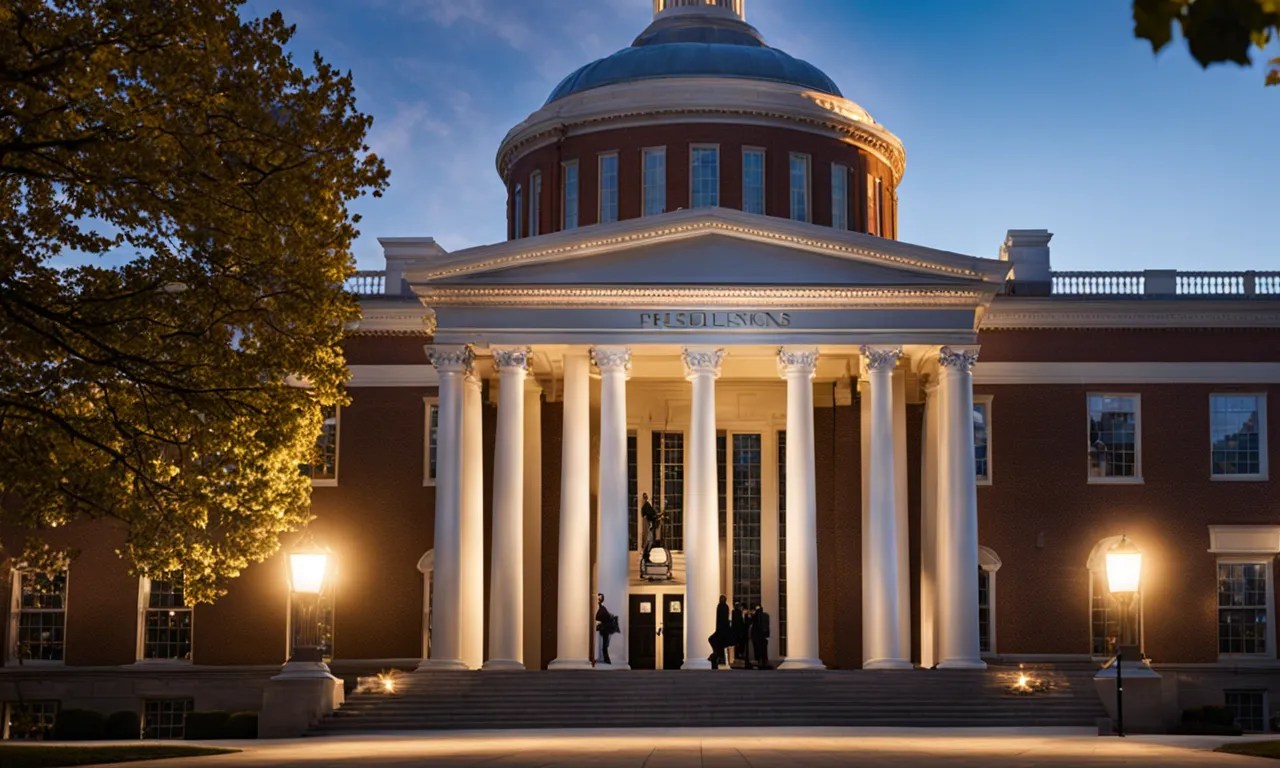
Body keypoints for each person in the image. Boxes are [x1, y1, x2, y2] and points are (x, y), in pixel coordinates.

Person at [707, 594, 731, 668]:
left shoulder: (723, 607)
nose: (721, 600)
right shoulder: (721, 606)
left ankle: (716, 655)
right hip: (720, 629)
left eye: (722, 599)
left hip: (721, 629)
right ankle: (717, 656)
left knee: (712, 640)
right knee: (713, 641)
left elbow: (722, 618)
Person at [595, 593, 614, 665]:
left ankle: (605, 658)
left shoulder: (603, 608)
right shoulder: (600, 608)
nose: (599, 599)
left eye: (600, 598)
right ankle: (604, 658)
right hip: (602, 628)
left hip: (604, 628)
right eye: (598, 598)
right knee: (603, 644)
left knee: (604, 644)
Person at [750, 603, 770, 670]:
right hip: (764, 636)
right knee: (764, 650)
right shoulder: (766, 616)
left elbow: (753, 625)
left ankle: (760, 662)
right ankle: (764, 662)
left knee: (758, 650)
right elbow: (767, 626)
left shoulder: (755, 616)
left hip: (757, 636)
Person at [640, 493, 660, 561]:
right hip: (648, 524)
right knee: (649, 539)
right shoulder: (646, 506)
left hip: (648, 524)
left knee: (649, 540)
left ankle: (646, 554)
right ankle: (646, 554)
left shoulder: (646, 506)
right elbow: (651, 514)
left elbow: (652, 514)